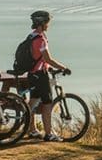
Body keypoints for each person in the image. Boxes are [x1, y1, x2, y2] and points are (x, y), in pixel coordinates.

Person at [26, 10, 71, 142]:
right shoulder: (40, 38)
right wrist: (63, 67)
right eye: (47, 22)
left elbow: (37, 58)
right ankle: (48, 133)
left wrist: (48, 66)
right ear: (42, 23)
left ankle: (32, 130)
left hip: (32, 74)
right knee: (47, 104)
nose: (48, 25)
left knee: (32, 103)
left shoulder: (31, 36)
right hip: (41, 75)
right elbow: (48, 58)